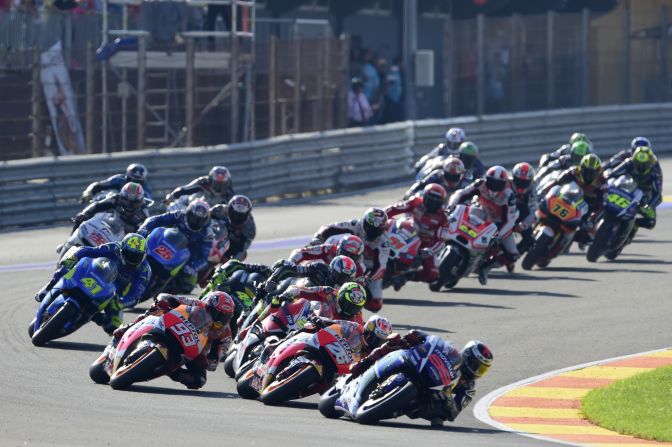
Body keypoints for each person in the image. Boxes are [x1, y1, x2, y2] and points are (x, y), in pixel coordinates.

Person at [349, 330, 493, 426]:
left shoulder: (469, 387)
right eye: (476, 365)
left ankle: (394, 407)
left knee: (439, 419)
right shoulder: (452, 354)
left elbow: (454, 412)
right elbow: (431, 342)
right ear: (467, 356)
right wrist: (416, 336)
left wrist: (448, 401)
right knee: (397, 348)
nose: (476, 371)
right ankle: (366, 366)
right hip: (426, 374)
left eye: (482, 369)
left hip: (429, 399)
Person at [115, 291, 235, 389]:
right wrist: (164, 301)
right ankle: (129, 326)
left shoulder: (225, 334)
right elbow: (169, 297)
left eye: (223, 317)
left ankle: (175, 372)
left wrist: (207, 361)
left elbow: (216, 360)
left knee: (200, 381)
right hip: (175, 328)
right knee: (155, 311)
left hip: (194, 352)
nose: (218, 319)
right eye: (216, 313)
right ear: (208, 306)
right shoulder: (196, 303)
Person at [35, 233, 150, 331]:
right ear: (121, 249)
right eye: (129, 254)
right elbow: (86, 251)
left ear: (144, 255)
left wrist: (122, 302)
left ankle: (95, 317)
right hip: (94, 276)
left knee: (115, 326)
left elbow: (135, 295)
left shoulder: (144, 271)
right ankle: (50, 286)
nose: (132, 258)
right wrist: (71, 261)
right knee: (65, 270)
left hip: (113, 294)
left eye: (136, 256)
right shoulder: (114, 248)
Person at [447, 166, 519, 286]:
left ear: (504, 183)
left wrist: (498, 235)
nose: (494, 186)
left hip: (499, 222)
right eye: (491, 182)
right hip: (481, 212)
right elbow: (462, 193)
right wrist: (451, 206)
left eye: (498, 184)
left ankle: (486, 268)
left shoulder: (509, 196)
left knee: (513, 254)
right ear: (487, 179)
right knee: (460, 215)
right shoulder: (480, 183)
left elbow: (509, 220)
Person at [311, 208, 390, 311]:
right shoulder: (354, 225)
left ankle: (346, 311)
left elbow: (381, 267)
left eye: (377, 230)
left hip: (367, 267)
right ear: (364, 222)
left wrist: (367, 279)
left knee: (375, 305)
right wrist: (318, 238)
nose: (373, 233)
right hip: (344, 257)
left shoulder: (384, 242)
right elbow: (328, 228)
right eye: (370, 228)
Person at [138, 200, 214, 293]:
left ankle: (167, 298)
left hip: (187, 258)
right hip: (166, 244)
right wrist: (145, 227)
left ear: (205, 220)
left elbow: (204, 257)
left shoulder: (207, 233)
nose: (196, 222)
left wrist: (192, 266)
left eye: (200, 220)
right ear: (189, 214)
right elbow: (157, 219)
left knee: (187, 285)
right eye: (194, 219)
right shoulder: (179, 215)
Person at [385, 184, 449, 287]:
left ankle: (407, 276)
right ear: (424, 197)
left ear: (442, 202)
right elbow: (394, 209)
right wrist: (379, 216)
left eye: (437, 201)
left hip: (424, 246)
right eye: (430, 199)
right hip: (405, 233)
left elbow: (441, 240)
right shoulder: (415, 202)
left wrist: (429, 251)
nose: (433, 203)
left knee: (433, 276)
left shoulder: (443, 218)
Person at [539, 154, 607, 247]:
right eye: (586, 170)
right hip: (569, 196)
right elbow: (557, 182)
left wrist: (592, 219)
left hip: (588, 204)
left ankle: (575, 238)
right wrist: (544, 192)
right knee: (542, 204)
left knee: (591, 236)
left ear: (598, 171)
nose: (589, 174)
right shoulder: (573, 171)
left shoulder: (602, 182)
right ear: (581, 167)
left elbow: (602, 205)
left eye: (592, 172)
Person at [607, 146, 662, 230]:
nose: (641, 167)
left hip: (643, 197)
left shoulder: (655, 173)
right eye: (638, 163)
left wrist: (649, 206)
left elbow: (657, 194)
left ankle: (633, 224)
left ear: (650, 163)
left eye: (644, 165)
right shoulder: (629, 162)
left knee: (651, 222)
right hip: (624, 188)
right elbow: (613, 173)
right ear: (634, 160)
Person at [273, 282, 368, 325]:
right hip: (302, 321)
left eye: (354, 307)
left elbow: (356, 341)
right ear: (341, 296)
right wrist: (291, 292)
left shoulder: (357, 320)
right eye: (348, 304)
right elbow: (306, 290)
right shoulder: (329, 292)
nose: (349, 310)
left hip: (322, 341)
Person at [71, 182, 150, 234]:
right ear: (121, 197)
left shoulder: (143, 214)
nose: (129, 206)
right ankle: (70, 241)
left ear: (140, 202)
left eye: (134, 203)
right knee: (82, 218)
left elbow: (144, 233)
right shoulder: (116, 198)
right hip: (111, 225)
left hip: (125, 237)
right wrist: (85, 213)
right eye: (127, 202)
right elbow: (97, 205)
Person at [284, 234, 366, 278]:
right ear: (339, 248)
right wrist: (291, 262)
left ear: (358, 258)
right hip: (309, 275)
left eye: (353, 256)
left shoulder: (360, 270)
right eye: (346, 253)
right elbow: (301, 252)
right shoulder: (329, 249)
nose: (347, 258)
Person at [507, 162, 538, 272]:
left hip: (520, 215)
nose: (521, 184)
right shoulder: (506, 183)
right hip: (503, 212)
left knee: (530, 241)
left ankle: (511, 258)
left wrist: (524, 225)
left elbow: (534, 210)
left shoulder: (533, 189)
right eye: (519, 180)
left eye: (525, 182)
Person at [210, 195, 256, 260]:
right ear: (229, 208)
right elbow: (204, 216)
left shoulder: (250, 228)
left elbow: (243, 249)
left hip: (232, 245)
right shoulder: (218, 210)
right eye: (235, 214)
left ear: (247, 215)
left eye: (241, 216)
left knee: (243, 254)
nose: (237, 218)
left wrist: (232, 261)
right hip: (213, 237)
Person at [165, 166, 235, 206]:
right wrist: (171, 197)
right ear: (210, 180)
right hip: (197, 208)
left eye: (223, 184)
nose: (220, 187)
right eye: (217, 183)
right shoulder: (203, 182)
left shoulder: (229, 193)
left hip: (216, 217)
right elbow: (185, 189)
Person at [81, 163, 152, 202]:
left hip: (131, 210)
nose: (132, 184)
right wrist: (88, 193)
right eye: (131, 180)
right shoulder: (119, 179)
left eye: (137, 181)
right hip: (111, 203)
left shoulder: (145, 187)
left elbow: (149, 200)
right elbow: (98, 185)